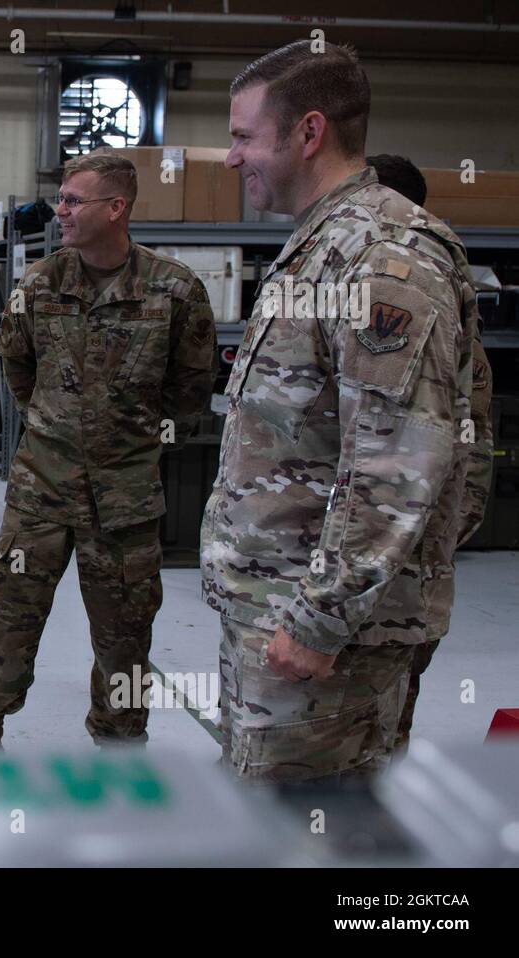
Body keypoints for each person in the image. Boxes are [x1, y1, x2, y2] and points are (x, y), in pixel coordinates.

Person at [203, 41, 487, 782]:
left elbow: (395, 462)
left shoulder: (381, 257)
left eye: (242, 137)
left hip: (324, 639)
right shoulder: (318, 244)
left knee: (310, 835)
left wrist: (322, 618)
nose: (232, 159)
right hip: (277, 614)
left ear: (309, 132)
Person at [0, 153, 217, 749]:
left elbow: (190, 390)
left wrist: (124, 437)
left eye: (75, 200)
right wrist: (57, 427)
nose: (62, 211)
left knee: (125, 630)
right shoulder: (41, 283)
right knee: (11, 613)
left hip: (125, 497)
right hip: (40, 490)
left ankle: (120, 741)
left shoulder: (175, 289)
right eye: (63, 199)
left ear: (116, 208)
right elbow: (16, 369)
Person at [365, 153, 494, 752]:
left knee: (380, 710)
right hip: (383, 549)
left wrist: (432, 539)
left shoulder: (414, 284)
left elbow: (464, 440)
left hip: (398, 557)